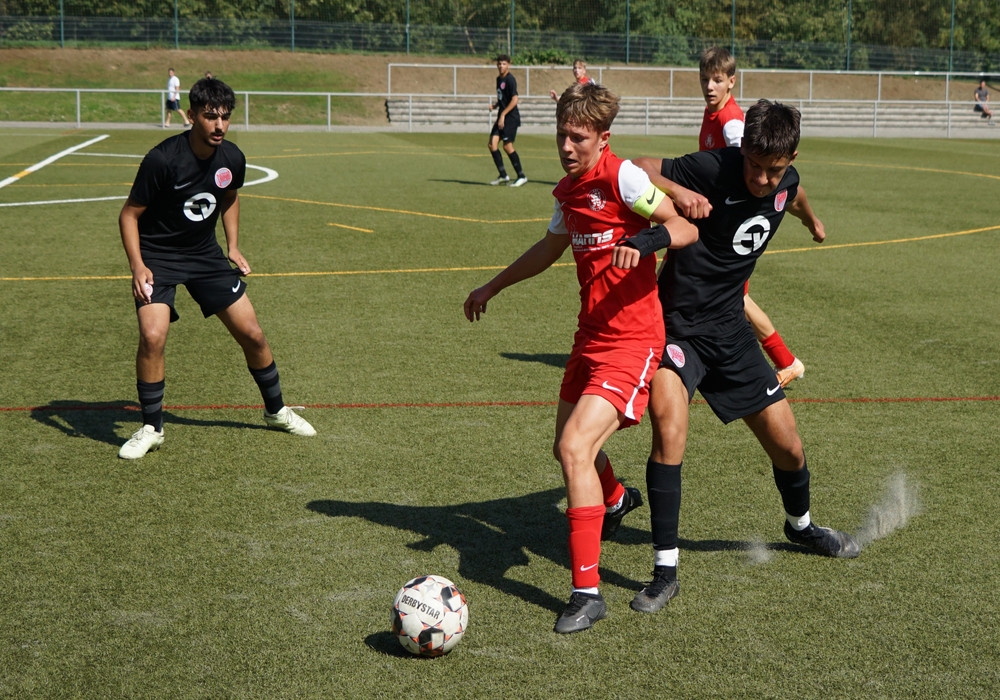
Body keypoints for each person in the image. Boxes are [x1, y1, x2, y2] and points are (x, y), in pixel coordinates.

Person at [464, 82, 698, 633]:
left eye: (578, 138)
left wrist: (645, 243)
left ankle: (587, 594)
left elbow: (684, 226)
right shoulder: (568, 191)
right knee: (566, 450)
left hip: (633, 341)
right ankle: (614, 500)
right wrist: (492, 286)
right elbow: (550, 248)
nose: (567, 147)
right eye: (561, 136)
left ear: (603, 138)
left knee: (575, 447)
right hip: (589, 338)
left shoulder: (624, 178)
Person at [623, 100, 859, 614]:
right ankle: (665, 572)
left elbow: (793, 196)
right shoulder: (713, 168)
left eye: (773, 169)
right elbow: (636, 168)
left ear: (790, 159)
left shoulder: (786, 181)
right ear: (743, 150)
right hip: (676, 327)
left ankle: (801, 527)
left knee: (789, 448)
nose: (761, 178)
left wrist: (813, 221)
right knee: (669, 432)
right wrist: (679, 192)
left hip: (731, 332)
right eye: (754, 165)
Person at [118, 77, 316, 460]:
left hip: (205, 255)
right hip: (158, 257)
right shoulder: (162, 159)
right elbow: (129, 215)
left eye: (225, 117)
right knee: (152, 336)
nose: (219, 125)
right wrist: (137, 265)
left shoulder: (232, 158)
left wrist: (233, 245)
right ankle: (151, 428)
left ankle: (277, 411)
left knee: (253, 334)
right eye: (211, 117)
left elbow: (229, 196)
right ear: (192, 115)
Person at [697, 46, 810, 388]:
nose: (710, 86)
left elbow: (750, 173)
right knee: (726, 298)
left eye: (717, 80)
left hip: (731, 233)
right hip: (714, 227)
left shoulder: (732, 123)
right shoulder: (713, 114)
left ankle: (786, 362)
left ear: (731, 82)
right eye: (705, 79)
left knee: (736, 298)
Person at [488, 55, 528, 187]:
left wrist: (503, 115)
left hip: (510, 117)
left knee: (507, 146)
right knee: (492, 144)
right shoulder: (498, 79)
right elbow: (503, 98)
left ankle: (521, 176)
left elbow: (515, 99)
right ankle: (503, 175)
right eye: (499, 64)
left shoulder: (510, 80)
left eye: (504, 64)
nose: (501, 66)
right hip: (502, 115)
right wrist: (495, 106)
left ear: (509, 65)